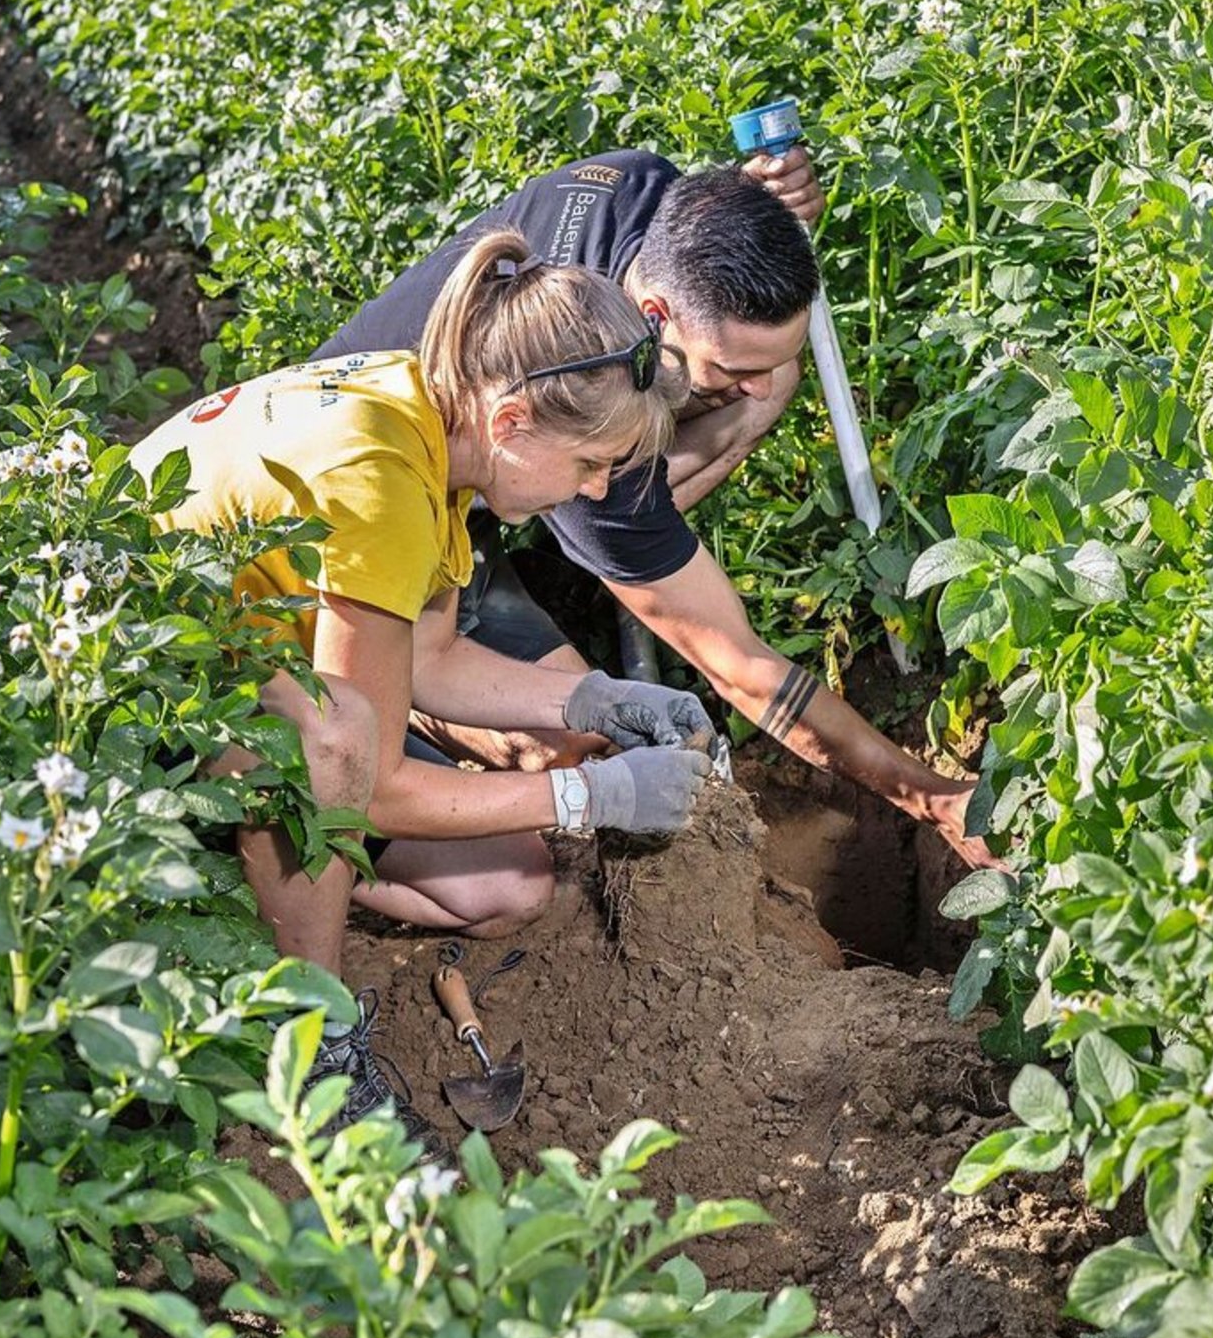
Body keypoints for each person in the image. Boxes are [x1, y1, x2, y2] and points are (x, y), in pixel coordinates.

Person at [133, 229, 713, 1138]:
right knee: (329, 749)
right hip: (121, 697)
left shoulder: (437, 421)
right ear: (515, 422)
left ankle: (243, 864)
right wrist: (588, 793)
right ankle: (310, 1048)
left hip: (231, 683)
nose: (597, 492)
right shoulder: (384, 477)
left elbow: (433, 661)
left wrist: (592, 699)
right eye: (593, 464)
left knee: (505, 892)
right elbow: (369, 780)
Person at [314, 147, 1003, 869]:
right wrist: (932, 799)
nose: (757, 388)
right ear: (652, 319)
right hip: (360, 511)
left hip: (479, 459)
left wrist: (758, 203)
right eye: (731, 369)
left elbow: (721, 233)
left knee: (767, 382)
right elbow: (741, 666)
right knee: (583, 746)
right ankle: (433, 668)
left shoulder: (647, 192)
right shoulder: (582, 429)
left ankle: (616, 572)